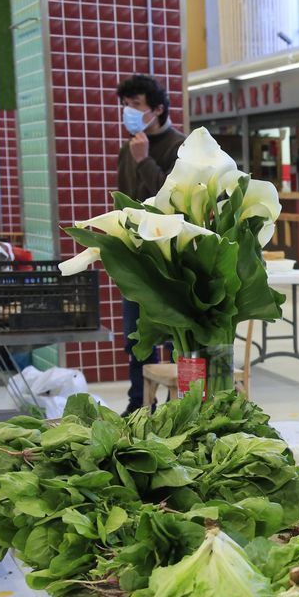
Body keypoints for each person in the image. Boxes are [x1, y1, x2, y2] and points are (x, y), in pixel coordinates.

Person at [115, 75, 185, 416]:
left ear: (157, 109)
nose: (128, 112)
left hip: (171, 261)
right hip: (135, 257)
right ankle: (139, 406)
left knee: (174, 337)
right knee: (135, 337)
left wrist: (144, 160)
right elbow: (123, 202)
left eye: (136, 105)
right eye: (125, 105)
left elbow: (173, 204)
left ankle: (177, 408)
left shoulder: (180, 147)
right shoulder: (128, 147)